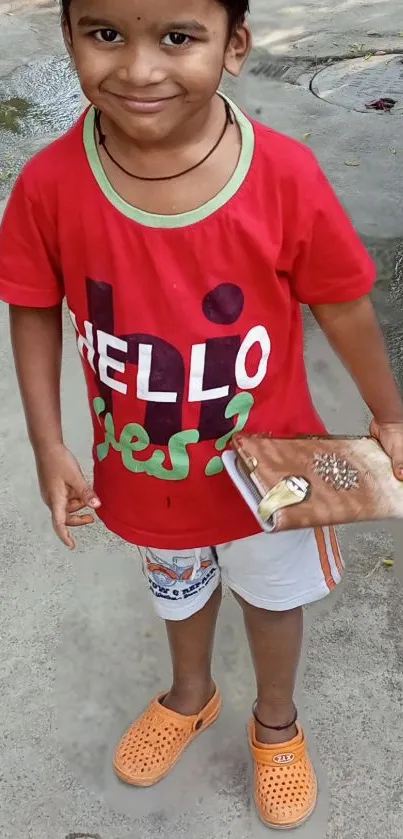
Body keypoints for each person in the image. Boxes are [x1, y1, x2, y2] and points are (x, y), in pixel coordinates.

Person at [1, 0, 403, 829]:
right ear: (69, 34)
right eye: (105, 33)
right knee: (176, 586)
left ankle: (276, 722)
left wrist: (388, 414)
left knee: (270, 596)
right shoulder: (47, 185)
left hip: (270, 475)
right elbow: (33, 305)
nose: (140, 68)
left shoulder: (284, 175)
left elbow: (343, 304)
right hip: (141, 469)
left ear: (235, 46)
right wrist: (48, 440)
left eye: (176, 37)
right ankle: (191, 695)